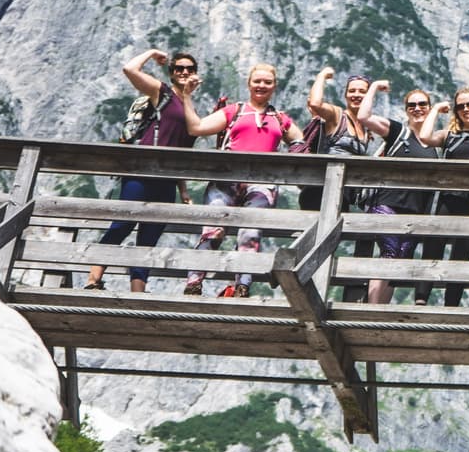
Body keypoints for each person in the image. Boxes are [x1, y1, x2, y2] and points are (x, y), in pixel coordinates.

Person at [84, 48, 199, 293]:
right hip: (142, 172)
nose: (185, 72)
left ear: (196, 74)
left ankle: (138, 292)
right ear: (171, 73)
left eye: (190, 68)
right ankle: (93, 281)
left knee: (150, 235)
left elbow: (183, 152)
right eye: (179, 68)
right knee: (122, 225)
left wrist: (184, 189)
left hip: (167, 179)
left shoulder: (189, 107)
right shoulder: (162, 92)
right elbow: (129, 69)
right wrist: (152, 52)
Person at [180, 63, 298, 298]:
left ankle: (242, 286)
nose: (261, 86)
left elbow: (301, 142)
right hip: (226, 179)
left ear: (274, 86)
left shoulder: (280, 119)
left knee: (250, 233)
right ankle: (194, 282)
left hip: (262, 184)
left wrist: (289, 158)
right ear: (249, 84)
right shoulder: (234, 111)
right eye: (257, 81)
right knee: (213, 230)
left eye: (267, 82)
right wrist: (186, 97)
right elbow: (196, 127)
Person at [355, 82, 446, 306]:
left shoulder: (434, 146)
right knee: (390, 250)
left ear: (429, 107)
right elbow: (364, 116)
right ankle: (373, 310)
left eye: (422, 104)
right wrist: (374, 87)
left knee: (401, 258)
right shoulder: (398, 132)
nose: (417, 108)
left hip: (415, 211)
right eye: (412, 105)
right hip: (387, 203)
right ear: (406, 110)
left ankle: (381, 310)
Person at [417, 86, 469, 309]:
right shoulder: (450, 136)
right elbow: (425, 136)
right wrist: (437, 109)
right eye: (461, 106)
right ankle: (421, 299)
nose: (466, 109)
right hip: (446, 198)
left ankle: (451, 305)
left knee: (462, 253)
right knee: (433, 246)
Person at [307, 69, 375, 302]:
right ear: (345, 94)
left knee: (328, 246)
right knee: (314, 245)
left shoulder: (366, 127)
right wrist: (322, 76)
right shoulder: (337, 115)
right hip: (321, 191)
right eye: (352, 91)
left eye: (362, 92)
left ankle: (319, 294)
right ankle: (306, 295)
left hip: (343, 197)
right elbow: (315, 104)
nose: (356, 95)